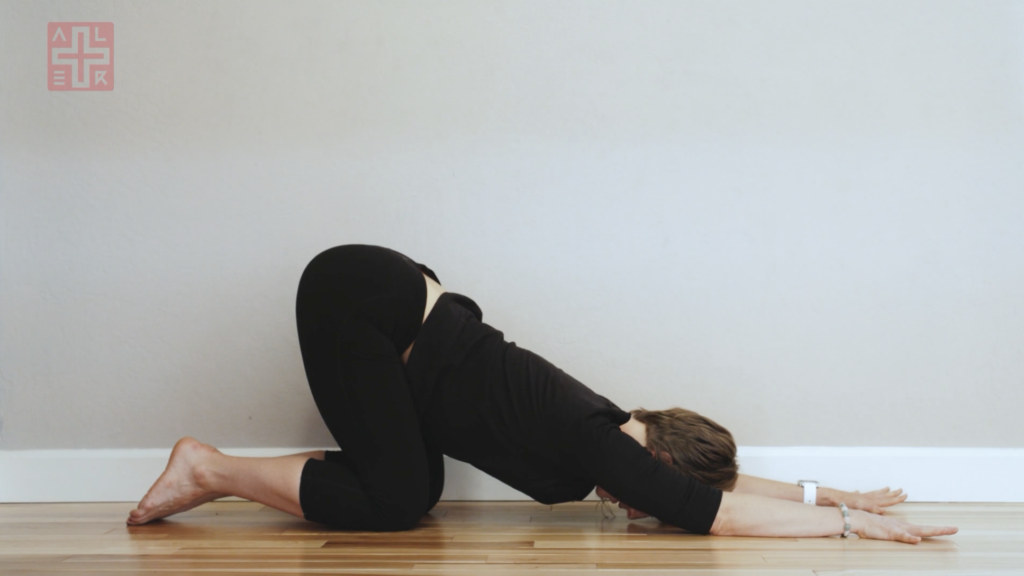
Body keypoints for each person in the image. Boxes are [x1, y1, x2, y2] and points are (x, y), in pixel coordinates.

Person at [127, 244, 957, 544]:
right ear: (660, 459)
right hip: (359, 301)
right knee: (393, 497)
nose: (640, 509)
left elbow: (722, 492)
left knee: (411, 491)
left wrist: (836, 491)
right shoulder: (602, 443)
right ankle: (208, 468)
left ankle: (215, 469)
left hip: (385, 300)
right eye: (654, 496)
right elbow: (722, 515)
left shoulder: (614, 428)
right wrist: (851, 530)